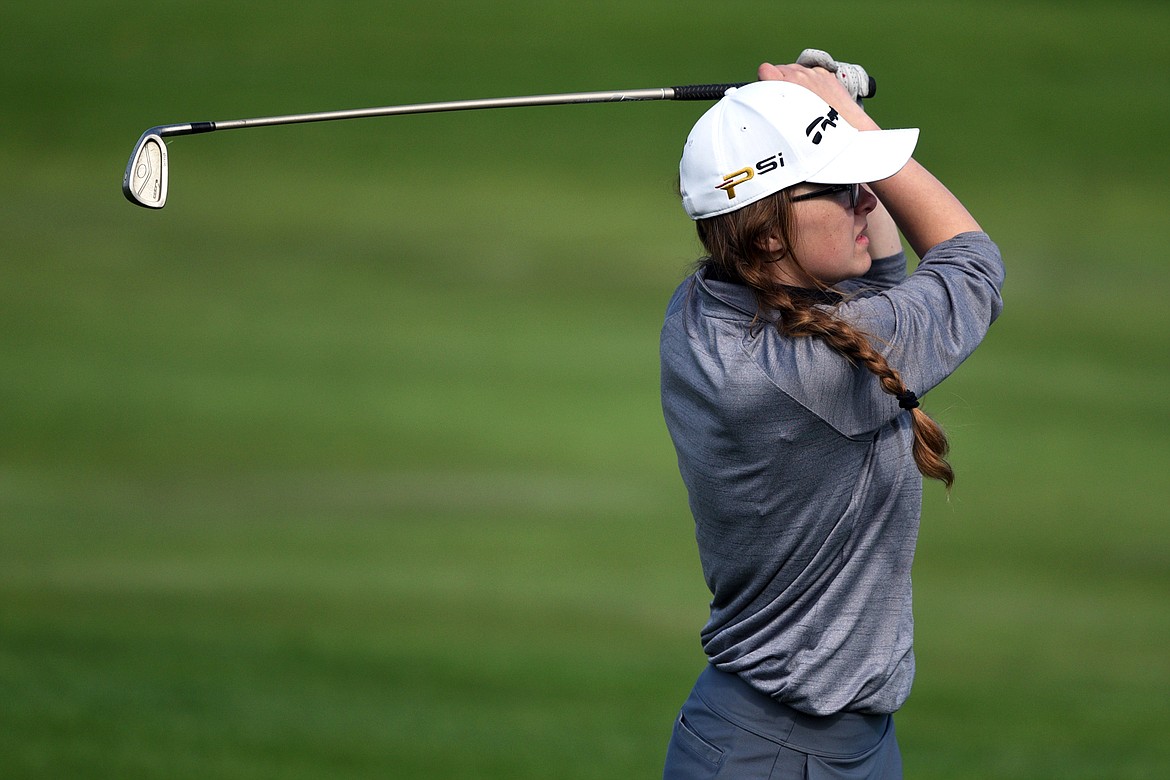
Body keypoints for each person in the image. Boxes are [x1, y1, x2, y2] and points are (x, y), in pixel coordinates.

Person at [659, 56, 1005, 779]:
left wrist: (813, 129)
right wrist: (851, 121)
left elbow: (876, 287)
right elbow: (972, 266)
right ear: (769, 234)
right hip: (780, 754)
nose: (867, 202)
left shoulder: (703, 310)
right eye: (843, 188)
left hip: (827, 742)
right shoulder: (805, 374)